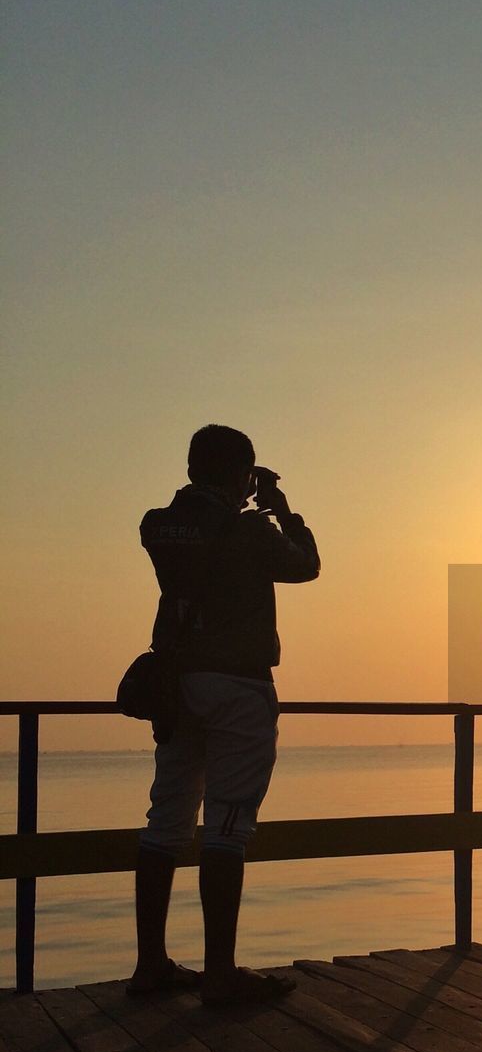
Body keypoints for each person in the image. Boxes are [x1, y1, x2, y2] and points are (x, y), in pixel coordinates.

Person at [128, 424, 320, 1006]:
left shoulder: (158, 525)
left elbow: (187, 537)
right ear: (243, 474)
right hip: (237, 687)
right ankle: (220, 974)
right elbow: (307, 565)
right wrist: (281, 508)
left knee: (166, 821)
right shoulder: (252, 531)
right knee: (228, 828)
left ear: (190, 469)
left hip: (178, 686)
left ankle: (151, 964)